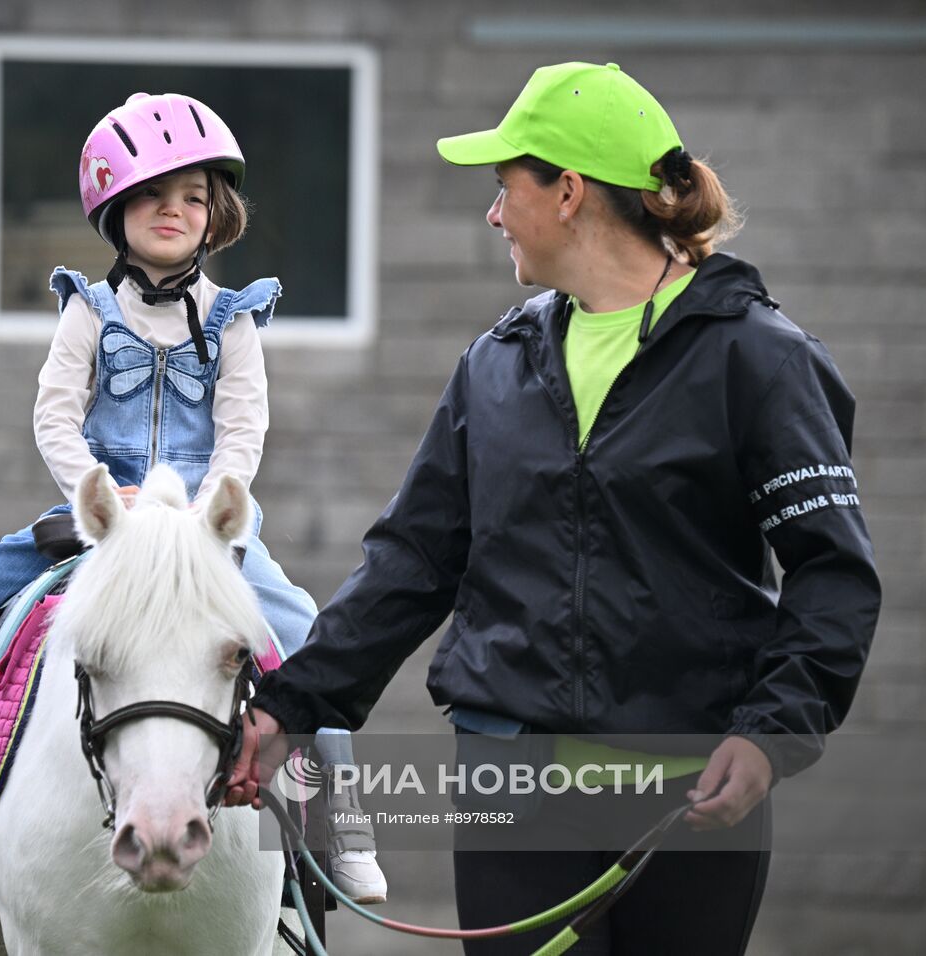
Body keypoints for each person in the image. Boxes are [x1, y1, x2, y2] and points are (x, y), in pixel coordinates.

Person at [226, 61, 881, 954]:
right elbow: (413, 563)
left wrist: (772, 736)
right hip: (513, 787)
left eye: (505, 187)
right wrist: (290, 704)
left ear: (568, 192)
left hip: (686, 798)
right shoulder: (494, 367)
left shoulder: (759, 360)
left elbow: (833, 572)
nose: (493, 213)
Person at [0, 92, 387, 901]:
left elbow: (244, 430)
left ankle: (334, 818)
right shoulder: (88, 311)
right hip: (101, 514)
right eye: (153, 196)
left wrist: (210, 507)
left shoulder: (235, 318)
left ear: (218, 216)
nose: (175, 212)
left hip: (210, 523)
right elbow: (54, 417)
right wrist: (98, 491)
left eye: (194, 198)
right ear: (114, 205)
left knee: (303, 628)